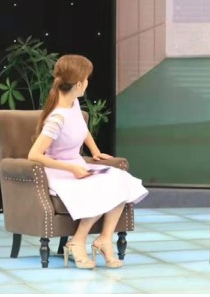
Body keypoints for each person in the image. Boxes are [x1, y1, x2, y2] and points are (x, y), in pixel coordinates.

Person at [28, 55, 149, 269]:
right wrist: (71, 168)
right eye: (86, 79)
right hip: (60, 172)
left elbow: (82, 130)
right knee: (100, 187)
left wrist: (95, 151)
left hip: (78, 166)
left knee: (121, 180)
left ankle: (104, 239)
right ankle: (78, 241)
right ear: (78, 84)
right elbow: (34, 155)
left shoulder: (73, 103)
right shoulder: (57, 118)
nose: (87, 83)